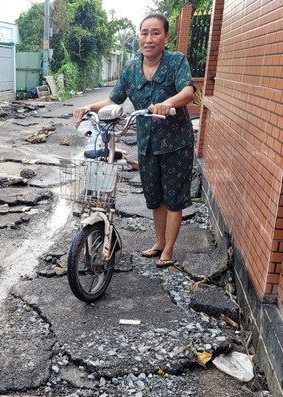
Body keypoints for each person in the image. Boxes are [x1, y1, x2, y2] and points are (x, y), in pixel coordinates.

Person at [74, 12, 196, 269]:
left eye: (155, 33)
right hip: (148, 142)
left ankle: (169, 249)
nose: (149, 39)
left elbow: (188, 91)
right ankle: (159, 242)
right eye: (144, 33)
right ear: (139, 36)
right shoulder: (131, 68)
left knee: (173, 198)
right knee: (154, 196)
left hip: (176, 142)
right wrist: (88, 107)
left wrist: (167, 103)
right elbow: (113, 100)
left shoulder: (176, 61)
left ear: (165, 36)